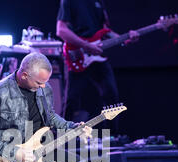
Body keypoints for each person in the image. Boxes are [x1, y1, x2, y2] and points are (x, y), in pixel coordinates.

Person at [56, 0, 139, 133]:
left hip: (97, 58)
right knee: (72, 99)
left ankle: (112, 137)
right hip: (78, 54)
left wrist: (125, 38)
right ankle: (61, 136)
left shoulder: (98, 2)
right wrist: (86, 45)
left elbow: (105, 31)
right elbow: (61, 30)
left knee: (111, 96)